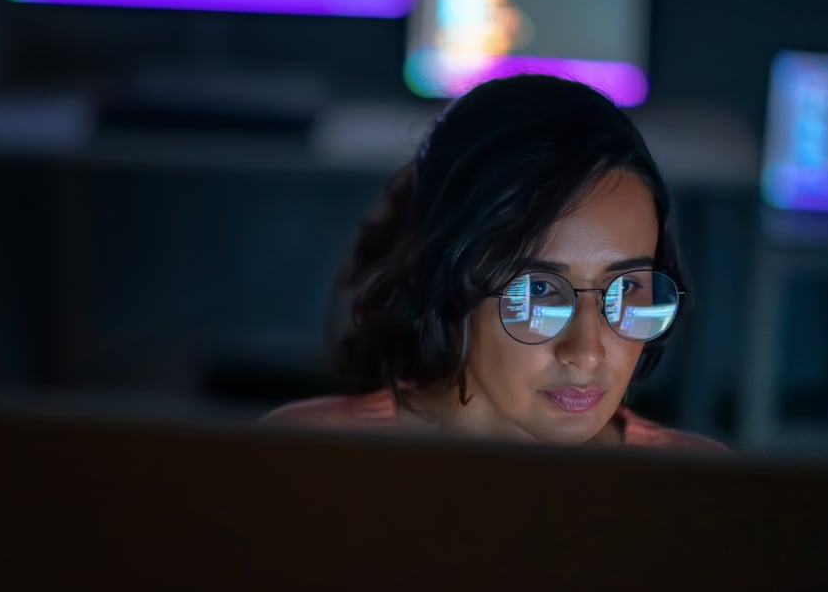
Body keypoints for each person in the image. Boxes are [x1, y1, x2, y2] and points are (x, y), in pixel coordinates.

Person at [264, 75, 727, 451]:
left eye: (626, 288)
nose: (587, 351)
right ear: (447, 281)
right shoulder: (307, 460)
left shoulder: (695, 489)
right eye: (540, 289)